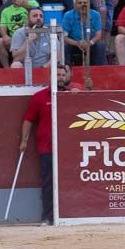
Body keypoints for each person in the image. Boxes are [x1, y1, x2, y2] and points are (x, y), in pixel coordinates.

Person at [20, 62, 77, 224]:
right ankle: (47, 216)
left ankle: (70, 215)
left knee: (70, 181)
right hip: (47, 147)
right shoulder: (39, 97)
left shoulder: (72, 94)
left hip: (69, 148)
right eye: (57, 75)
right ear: (51, 76)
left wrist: (81, 94)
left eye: (62, 75)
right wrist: (23, 141)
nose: (60, 77)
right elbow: (28, 120)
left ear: (66, 77)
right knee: (48, 183)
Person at [61, 0, 106, 66]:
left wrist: (90, 43)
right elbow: (64, 37)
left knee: (101, 45)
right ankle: (66, 70)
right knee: (64, 45)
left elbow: (98, 35)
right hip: (74, 44)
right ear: (74, 5)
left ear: (89, 4)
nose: (83, 5)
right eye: (80, 3)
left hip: (90, 43)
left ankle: (99, 71)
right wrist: (77, 43)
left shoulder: (96, 15)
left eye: (85, 3)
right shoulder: (68, 15)